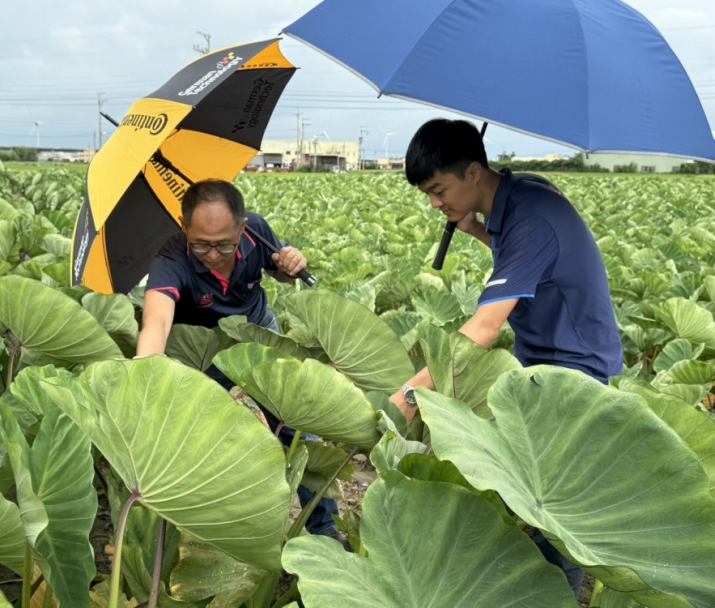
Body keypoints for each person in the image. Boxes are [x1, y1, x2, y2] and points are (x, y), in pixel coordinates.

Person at [389, 119, 623, 597]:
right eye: (428, 194)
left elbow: (484, 327)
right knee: (517, 489)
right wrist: (475, 228)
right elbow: (529, 259)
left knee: (549, 506)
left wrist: (410, 396)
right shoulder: (519, 193)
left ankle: (551, 594)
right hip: (541, 360)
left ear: (474, 172)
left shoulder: (532, 218)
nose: (435, 204)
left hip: (575, 371)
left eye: (439, 190)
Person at [136, 179, 351, 549]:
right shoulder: (171, 258)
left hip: (256, 332)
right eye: (202, 243)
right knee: (194, 438)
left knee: (296, 426)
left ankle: (325, 527)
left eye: (224, 243)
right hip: (204, 350)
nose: (214, 253)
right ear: (185, 227)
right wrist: (144, 371)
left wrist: (290, 262)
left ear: (241, 226)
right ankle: (199, 536)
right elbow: (156, 320)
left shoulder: (257, 231)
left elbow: (279, 270)